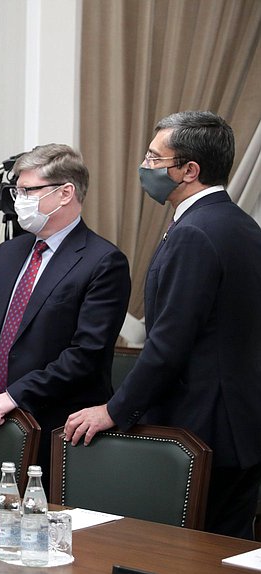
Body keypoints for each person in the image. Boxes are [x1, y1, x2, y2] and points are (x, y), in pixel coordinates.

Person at [64, 111, 261, 539]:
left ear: (189, 170)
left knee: (184, 553)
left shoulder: (195, 232)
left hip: (204, 428)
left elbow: (169, 341)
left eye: (155, 159)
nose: (145, 167)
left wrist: (114, 409)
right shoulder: (242, 225)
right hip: (241, 426)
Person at [0, 144, 131, 490]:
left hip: (56, 427)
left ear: (65, 193)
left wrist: (16, 394)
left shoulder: (103, 261)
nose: (19, 199)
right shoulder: (9, 252)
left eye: (28, 190)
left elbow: (86, 354)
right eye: (17, 190)